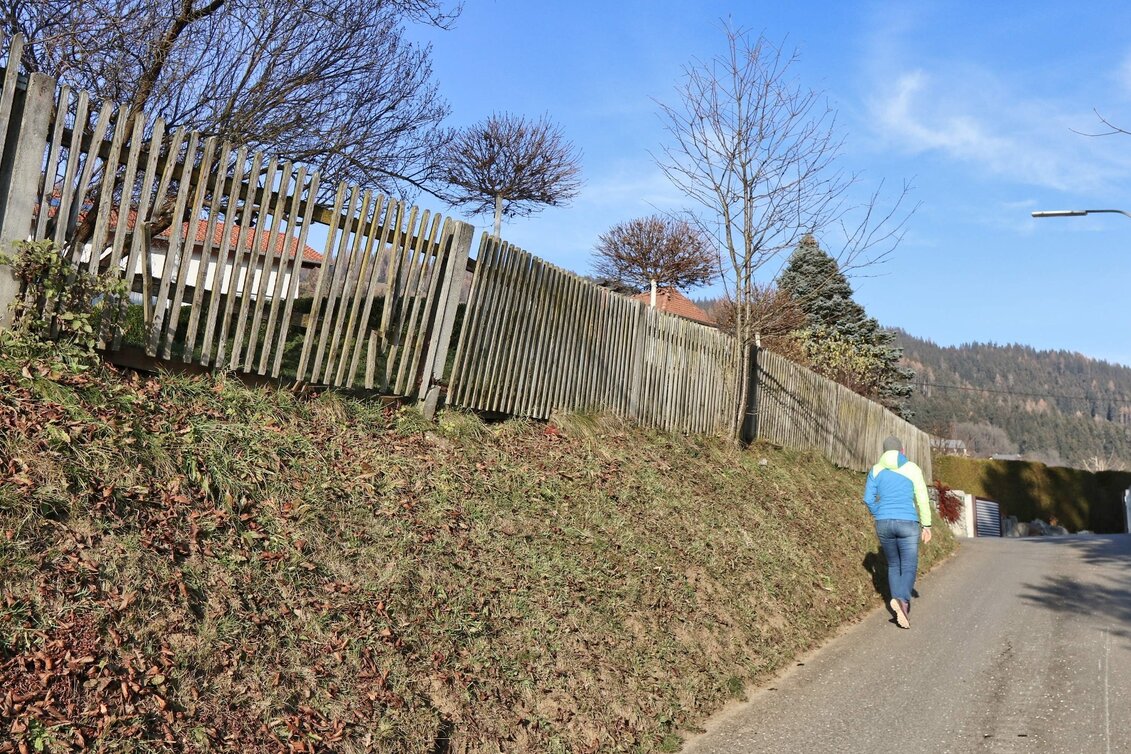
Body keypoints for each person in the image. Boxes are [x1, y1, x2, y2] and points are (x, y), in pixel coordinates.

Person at [863, 435, 932, 628]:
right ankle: (901, 599)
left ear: (884, 452)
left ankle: (900, 607)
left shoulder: (876, 470)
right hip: (908, 522)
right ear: (902, 451)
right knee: (909, 565)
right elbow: (922, 498)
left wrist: (881, 512)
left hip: (884, 523)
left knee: (893, 564)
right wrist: (927, 525)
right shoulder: (912, 468)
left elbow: (868, 499)